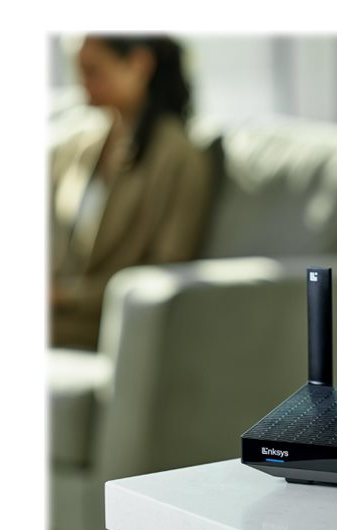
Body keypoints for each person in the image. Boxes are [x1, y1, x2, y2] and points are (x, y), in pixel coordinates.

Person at [49, 35, 216, 350]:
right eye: (78, 70)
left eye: (93, 70)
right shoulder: (80, 144)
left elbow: (166, 268)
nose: (82, 83)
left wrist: (68, 296)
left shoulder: (177, 156)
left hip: (108, 322)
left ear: (139, 64)